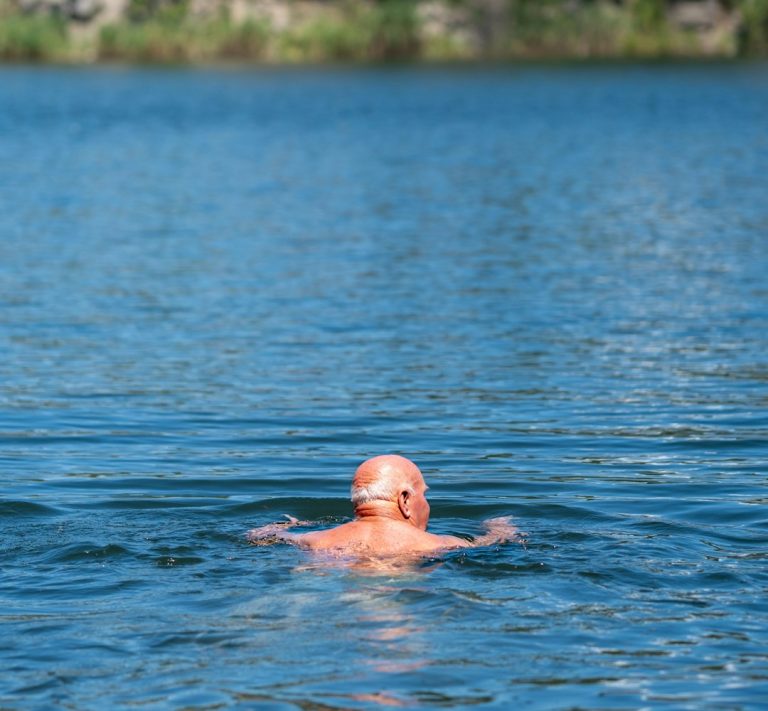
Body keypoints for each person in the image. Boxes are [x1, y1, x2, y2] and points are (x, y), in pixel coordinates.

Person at [247, 454, 518, 556]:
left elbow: (258, 537)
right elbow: (496, 544)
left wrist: (287, 526)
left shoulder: (314, 541)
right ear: (405, 500)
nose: (428, 503)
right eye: (424, 494)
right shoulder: (438, 544)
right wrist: (500, 529)